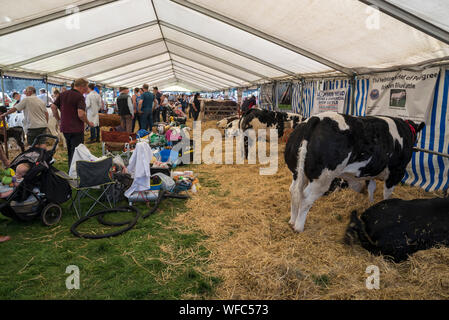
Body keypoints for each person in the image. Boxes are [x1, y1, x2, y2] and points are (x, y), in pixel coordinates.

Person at [51, 78, 94, 167]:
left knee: (70, 150)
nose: (86, 89)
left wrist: (59, 119)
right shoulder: (80, 97)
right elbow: (81, 114)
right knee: (78, 151)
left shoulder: (63, 94)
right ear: (82, 87)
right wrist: (88, 123)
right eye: (86, 87)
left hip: (65, 128)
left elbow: (53, 107)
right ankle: (76, 171)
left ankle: (71, 168)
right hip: (76, 128)